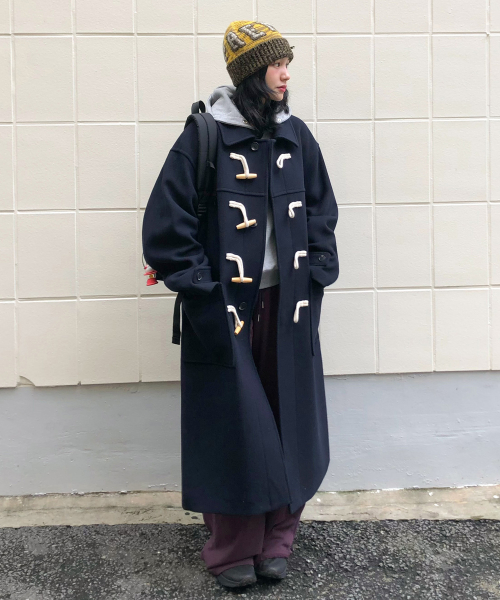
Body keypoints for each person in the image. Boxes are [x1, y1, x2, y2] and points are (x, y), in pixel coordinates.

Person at [142, 20, 339, 589]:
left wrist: (319, 271)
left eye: (287, 65)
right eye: (277, 65)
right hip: (224, 309)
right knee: (234, 425)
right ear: (252, 73)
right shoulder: (203, 137)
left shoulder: (296, 136)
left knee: (289, 419)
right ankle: (232, 548)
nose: (286, 75)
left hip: (288, 306)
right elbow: (167, 228)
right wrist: (203, 291)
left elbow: (322, 209)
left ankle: (278, 540)